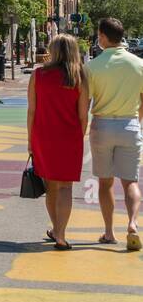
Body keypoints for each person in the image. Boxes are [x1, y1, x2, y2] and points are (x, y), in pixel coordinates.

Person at [84, 17, 143, 252]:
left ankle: (109, 232)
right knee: (131, 181)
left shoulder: (93, 67)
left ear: (103, 37)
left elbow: (85, 102)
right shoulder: (139, 64)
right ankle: (133, 223)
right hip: (129, 124)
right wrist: (137, 122)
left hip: (103, 125)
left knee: (105, 182)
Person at [27, 34, 90, 250]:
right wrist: (78, 137)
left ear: (53, 51)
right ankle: (61, 234)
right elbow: (83, 115)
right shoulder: (78, 75)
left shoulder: (38, 74)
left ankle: (55, 228)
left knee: (51, 186)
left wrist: (30, 141)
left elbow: (32, 111)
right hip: (69, 137)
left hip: (43, 136)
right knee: (65, 188)